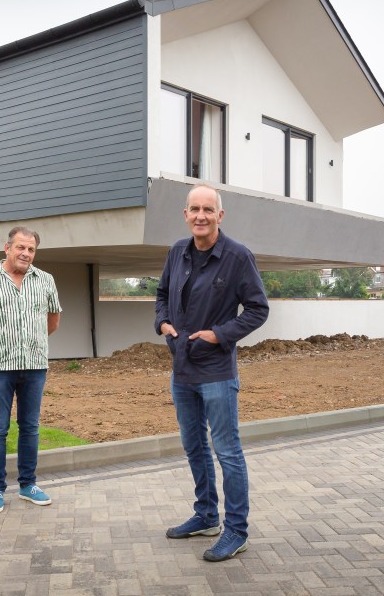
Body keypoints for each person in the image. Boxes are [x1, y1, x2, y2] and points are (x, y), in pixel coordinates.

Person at [155, 184, 269, 562]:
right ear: (185, 215)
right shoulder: (177, 252)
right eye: (194, 209)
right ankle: (206, 515)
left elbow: (257, 309)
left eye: (208, 209)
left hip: (217, 370)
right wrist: (162, 323)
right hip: (182, 369)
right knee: (194, 446)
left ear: (220, 215)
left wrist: (219, 335)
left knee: (227, 451)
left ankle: (236, 531)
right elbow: (161, 295)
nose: (200, 215)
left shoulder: (238, 257)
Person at [0, 226, 62, 514]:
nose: (25, 254)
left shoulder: (45, 280)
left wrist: (32, 343)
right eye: (20, 247)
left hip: (35, 367)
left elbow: (52, 322)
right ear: (7, 248)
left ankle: (28, 485)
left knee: (30, 427)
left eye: (31, 249)